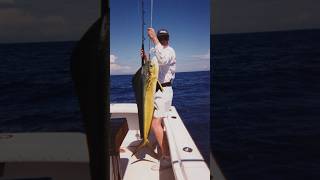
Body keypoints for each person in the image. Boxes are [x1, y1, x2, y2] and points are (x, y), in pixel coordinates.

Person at [141, 28, 176, 170]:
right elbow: (153, 65)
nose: (163, 40)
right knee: (154, 121)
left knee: (155, 123)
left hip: (164, 91)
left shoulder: (169, 51)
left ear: (168, 38)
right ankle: (158, 143)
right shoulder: (156, 51)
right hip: (154, 91)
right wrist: (145, 59)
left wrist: (154, 38)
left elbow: (162, 59)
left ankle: (166, 158)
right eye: (161, 38)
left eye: (164, 38)